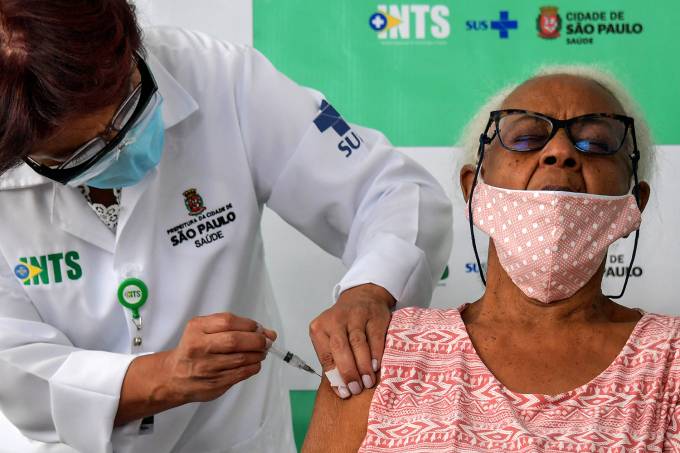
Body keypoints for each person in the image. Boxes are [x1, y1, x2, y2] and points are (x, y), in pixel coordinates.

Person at [0, 2, 452, 452]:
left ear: (129, 49)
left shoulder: (221, 77)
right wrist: (165, 375)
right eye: (80, 155)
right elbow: (17, 372)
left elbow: (391, 190)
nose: (122, 146)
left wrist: (370, 291)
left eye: (130, 105)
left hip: (234, 437)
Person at [302, 67, 680, 452]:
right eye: (527, 138)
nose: (561, 152)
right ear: (474, 188)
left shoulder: (671, 360)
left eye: (596, 143)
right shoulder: (381, 350)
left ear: (635, 203)